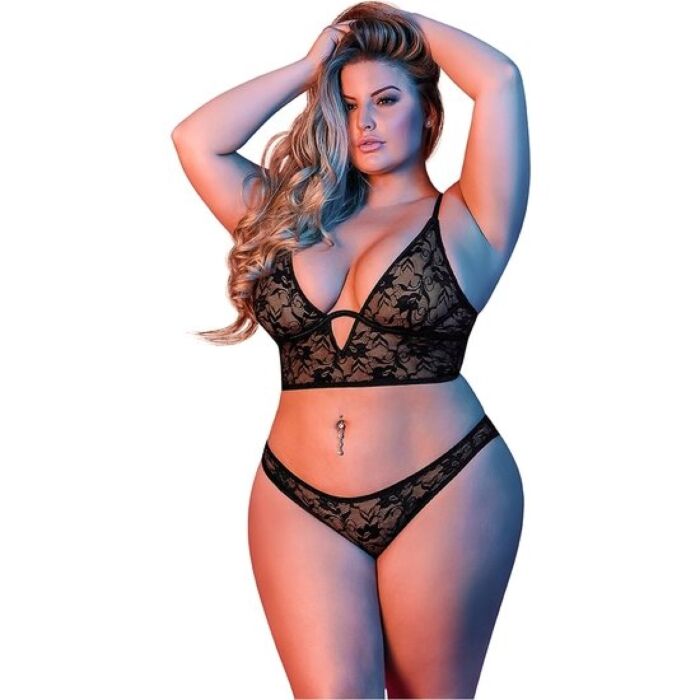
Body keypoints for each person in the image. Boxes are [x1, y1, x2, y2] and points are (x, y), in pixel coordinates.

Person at [171, 2, 529, 697]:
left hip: (445, 485)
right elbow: (196, 140)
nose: (365, 120)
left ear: (428, 113)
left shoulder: (470, 216)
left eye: (386, 100)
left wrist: (391, 20)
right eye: (349, 103)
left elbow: (500, 79)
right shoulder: (288, 222)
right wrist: (311, 66)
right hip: (295, 495)